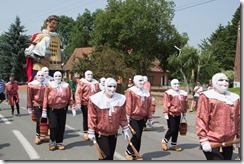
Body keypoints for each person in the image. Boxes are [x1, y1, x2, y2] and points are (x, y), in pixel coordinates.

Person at [196, 73, 240, 160]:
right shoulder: (207, 96)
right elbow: (202, 118)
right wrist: (203, 140)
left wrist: (239, 136)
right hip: (212, 141)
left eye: (226, 80)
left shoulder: (235, 98)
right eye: (221, 80)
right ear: (214, 82)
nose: (225, 82)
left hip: (229, 142)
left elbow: (238, 118)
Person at [87, 78, 130, 160]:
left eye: (114, 86)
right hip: (101, 133)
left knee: (109, 157)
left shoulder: (120, 99)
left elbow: (122, 115)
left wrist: (125, 128)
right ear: (105, 86)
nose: (112, 89)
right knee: (107, 155)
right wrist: (91, 130)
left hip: (113, 133)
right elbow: (92, 115)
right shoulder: (96, 99)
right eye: (110, 86)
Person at [42, 71, 76, 151]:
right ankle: (52, 141)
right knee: (54, 126)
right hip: (52, 109)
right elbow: (45, 98)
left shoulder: (66, 86)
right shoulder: (49, 86)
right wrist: (44, 110)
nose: (58, 78)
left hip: (63, 109)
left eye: (59, 76)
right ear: (53, 77)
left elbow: (70, 97)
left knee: (61, 126)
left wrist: (73, 107)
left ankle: (59, 142)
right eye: (56, 76)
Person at [25, 15, 64, 82]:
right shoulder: (40, 36)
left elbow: (61, 53)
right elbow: (28, 52)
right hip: (41, 69)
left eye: (55, 24)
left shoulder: (58, 38)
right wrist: (40, 60)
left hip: (56, 68)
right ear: (47, 22)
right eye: (52, 23)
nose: (54, 26)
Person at [125, 75, 153, 160]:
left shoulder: (146, 92)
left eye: (142, 81)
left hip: (143, 117)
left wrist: (150, 117)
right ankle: (128, 151)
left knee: (139, 136)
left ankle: (136, 153)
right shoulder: (131, 91)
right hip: (133, 116)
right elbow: (128, 104)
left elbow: (149, 106)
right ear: (135, 81)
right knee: (136, 135)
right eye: (140, 81)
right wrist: (127, 116)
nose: (142, 82)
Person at [161, 79, 188, 152]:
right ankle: (164, 141)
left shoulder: (182, 93)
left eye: (178, 84)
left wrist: (184, 112)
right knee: (172, 128)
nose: (177, 85)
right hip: (171, 113)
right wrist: (165, 112)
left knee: (176, 129)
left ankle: (173, 144)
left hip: (178, 113)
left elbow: (184, 103)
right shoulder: (169, 93)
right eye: (175, 84)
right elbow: (166, 102)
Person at [75, 70, 100, 141]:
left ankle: (93, 131)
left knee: (94, 118)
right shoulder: (82, 82)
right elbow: (78, 92)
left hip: (94, 104)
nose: (90, 76)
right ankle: (86, 132)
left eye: (91, 74)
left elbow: (99, 93)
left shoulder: (96, 83)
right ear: (85, 75)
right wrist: (78, 102)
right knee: (86, 118)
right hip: (85, 103)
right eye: (88, 74)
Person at [27, 70, 49, 144]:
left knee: (45, 120)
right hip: (37, 104)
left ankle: (43, 135)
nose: (40, 77)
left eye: (42, 75)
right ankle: (37, 136)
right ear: (36, 76)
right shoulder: (32, 85)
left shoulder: (48, 84)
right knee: (39, 119)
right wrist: (29, 107)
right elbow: (29, 96)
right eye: (39, 75)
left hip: (46, 105)